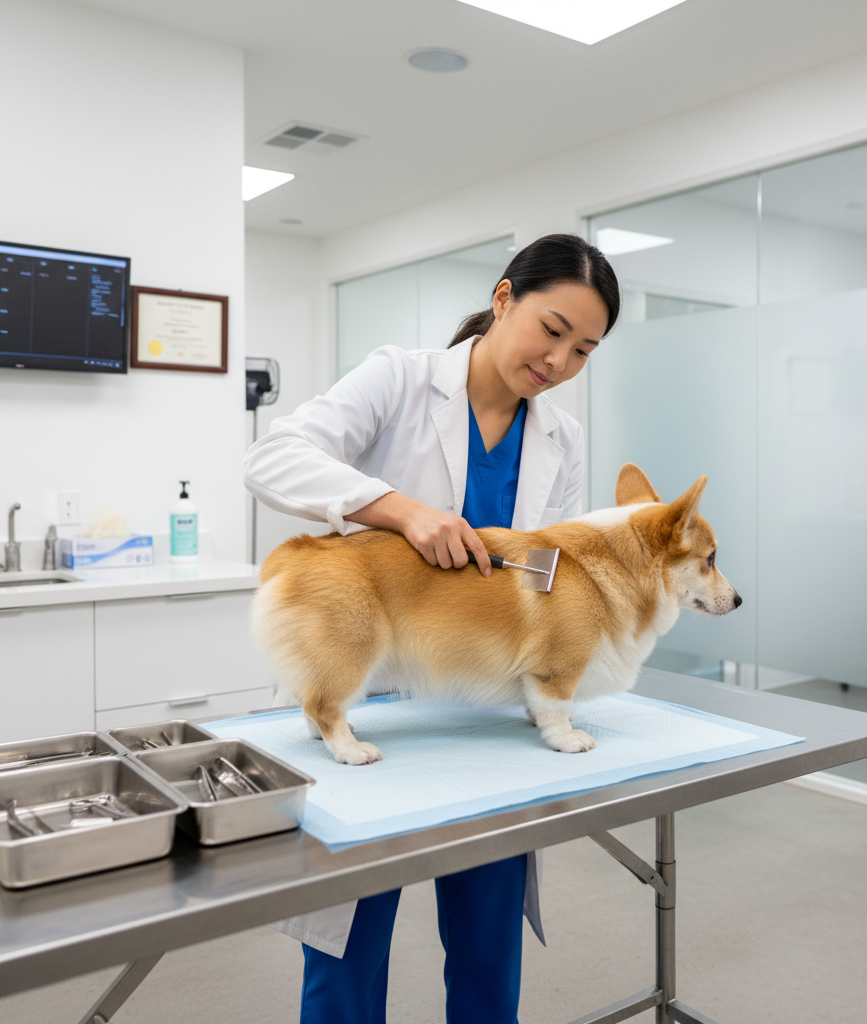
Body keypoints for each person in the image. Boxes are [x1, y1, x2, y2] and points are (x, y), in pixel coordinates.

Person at [243, 233, 620, 1024]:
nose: (558, 363)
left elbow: (544, 571)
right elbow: (273, 458)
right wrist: (400, 511)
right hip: (369, 692)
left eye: (583, 351)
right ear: (504, 298)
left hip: (477, 711)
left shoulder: (563, 441)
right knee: (350, 941)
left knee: (488, 947)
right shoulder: (401, 378)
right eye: (552, 331)